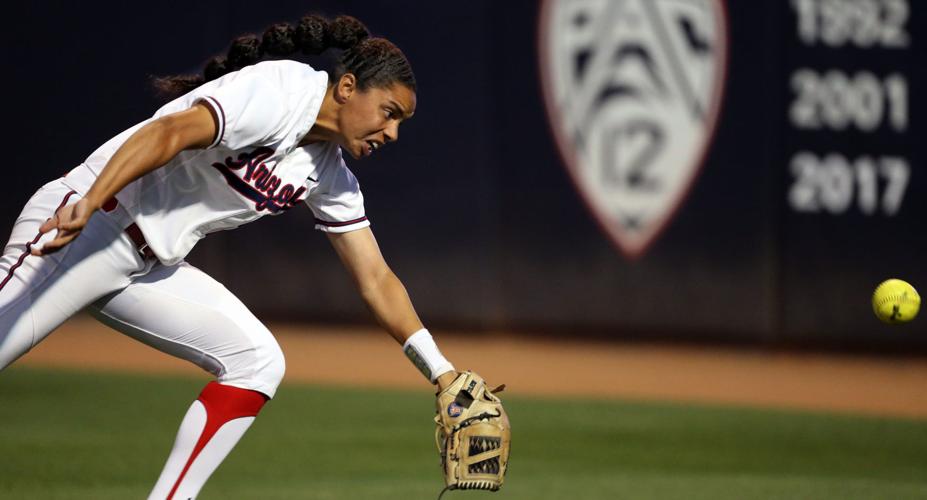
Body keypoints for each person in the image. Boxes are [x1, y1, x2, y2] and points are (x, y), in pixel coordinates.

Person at [0, 14, 460, 499]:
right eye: (389, 112)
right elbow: (168, 134)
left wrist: (442, 372)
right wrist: (91, 201)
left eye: (400, 122)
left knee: (257, 360)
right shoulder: (280, 92)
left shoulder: (328, 172)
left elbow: (375, 278)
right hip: (85, 223)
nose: (392, 132)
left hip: (143, 267)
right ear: (348, 87)